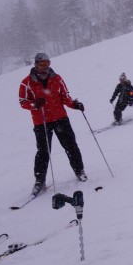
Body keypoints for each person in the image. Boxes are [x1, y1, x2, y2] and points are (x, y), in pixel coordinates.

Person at [18, 53, 87, 196]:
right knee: (43, 152)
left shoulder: (57, 78)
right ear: (36, 65)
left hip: (60, 118)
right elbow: (23, 102)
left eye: (48, 64)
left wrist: (75, 104)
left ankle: (79, 171)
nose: (46, 67)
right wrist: (34, 104)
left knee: (71, 146)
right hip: (41, 121)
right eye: (42, 64)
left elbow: (65, 96)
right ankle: (40, 181)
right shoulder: (27, 82)